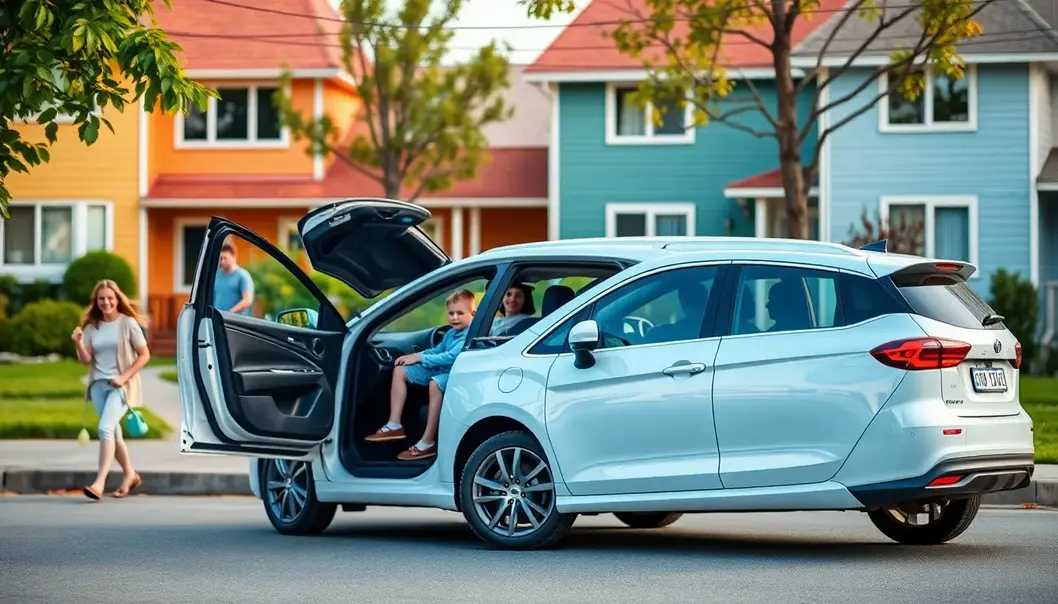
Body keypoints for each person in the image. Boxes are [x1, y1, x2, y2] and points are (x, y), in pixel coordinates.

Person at [365, 289, 477, 460]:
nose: (454, 318)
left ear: (473, 314)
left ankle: (427, 441)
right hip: (442, 370)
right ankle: (394, 424)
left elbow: (450, 357)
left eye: (460, 313)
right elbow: (437, 350)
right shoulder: (450, 333)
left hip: (457, 375)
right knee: (400, 370)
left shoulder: (468, 335)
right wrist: (414, 357)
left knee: (435, 383)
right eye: (451, 313)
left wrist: (420, 357)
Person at [70, 279, 151, 501]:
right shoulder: (92, 326)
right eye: (101, 299)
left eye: (110, 298)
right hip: (98, 385)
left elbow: (145, 355)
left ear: (117, 300)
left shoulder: (128, 323)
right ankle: (130, 474)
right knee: (113, 433)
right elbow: (86, 359)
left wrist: (123, 377)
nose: (106, 302)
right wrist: (78, 342)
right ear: (96, 302)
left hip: (121, 386)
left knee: (105, 428)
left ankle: (99, 482)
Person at [214, 240, 254, 315]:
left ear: (233, 257)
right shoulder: (217, 275)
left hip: (234, 321)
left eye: (225, 258)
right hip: (218, 319)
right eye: (221, 258)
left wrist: (230, 313)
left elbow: (247, 300)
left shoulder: (242, 275)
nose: (222, 261)